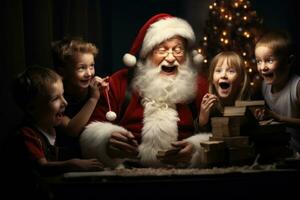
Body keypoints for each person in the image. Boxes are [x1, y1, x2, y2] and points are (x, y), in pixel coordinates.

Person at [80, 13, 210, 168]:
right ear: (147, 54)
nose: (170, 58)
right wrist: (105, 142)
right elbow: (90, 130)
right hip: (129, 175)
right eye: (161, 50)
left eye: (178, 50)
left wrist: (196, 150)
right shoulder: (120, 82)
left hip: (185, 176)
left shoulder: (199, 86)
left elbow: (220, 135)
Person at [10, 66, 104, 197]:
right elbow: (42, 167)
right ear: (32, 108)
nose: (64, 102)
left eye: (63, 95)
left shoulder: (53, 129)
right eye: (55, 99)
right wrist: (72, 164)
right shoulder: (27, 134)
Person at [51, 37, 109, 160]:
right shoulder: (58, 98)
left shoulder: (94, 89)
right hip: (66, 156)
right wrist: (93, 99)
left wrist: (107, 94)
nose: (89, 73)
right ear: (63, 71)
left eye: (91, 66)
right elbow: (71, 130)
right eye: (81, 68)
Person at [254, 31, 300, 155]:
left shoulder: (297, 87)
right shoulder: (265, 86)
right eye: (258, 61)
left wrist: (278, 118)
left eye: (269, 60)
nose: (263, 67)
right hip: (282, 149)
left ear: (289, 61)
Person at [199, 51, 250, 131]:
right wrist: (202, 120)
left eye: (231, 71)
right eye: (218, 71)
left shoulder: (248, 110)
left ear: (241, 80)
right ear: (212, 79)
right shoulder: (210, 110)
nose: (223, 75)